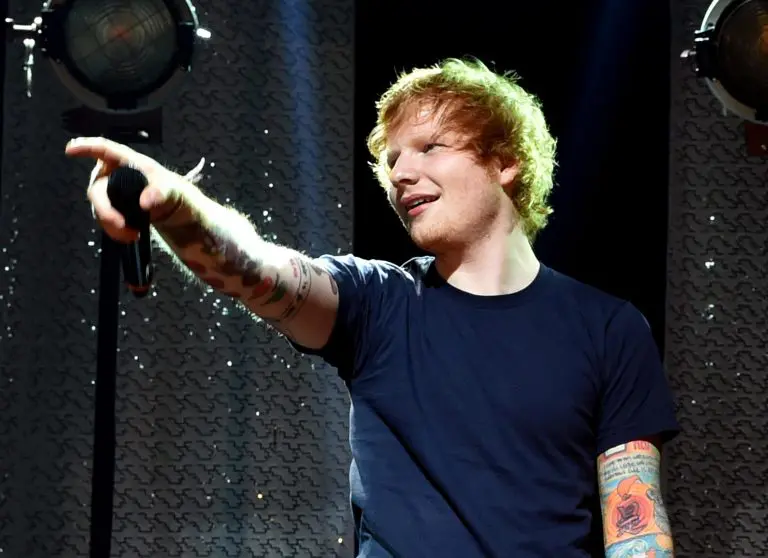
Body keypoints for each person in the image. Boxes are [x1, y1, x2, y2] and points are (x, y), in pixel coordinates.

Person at [67, 58, 680, 558]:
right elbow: (258, 267)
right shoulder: (378, 302)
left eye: (429, 147)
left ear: (505, 162)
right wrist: (178, 205)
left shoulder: (608, 328)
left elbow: (637, 529)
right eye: (391, 161)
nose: (401, 174)